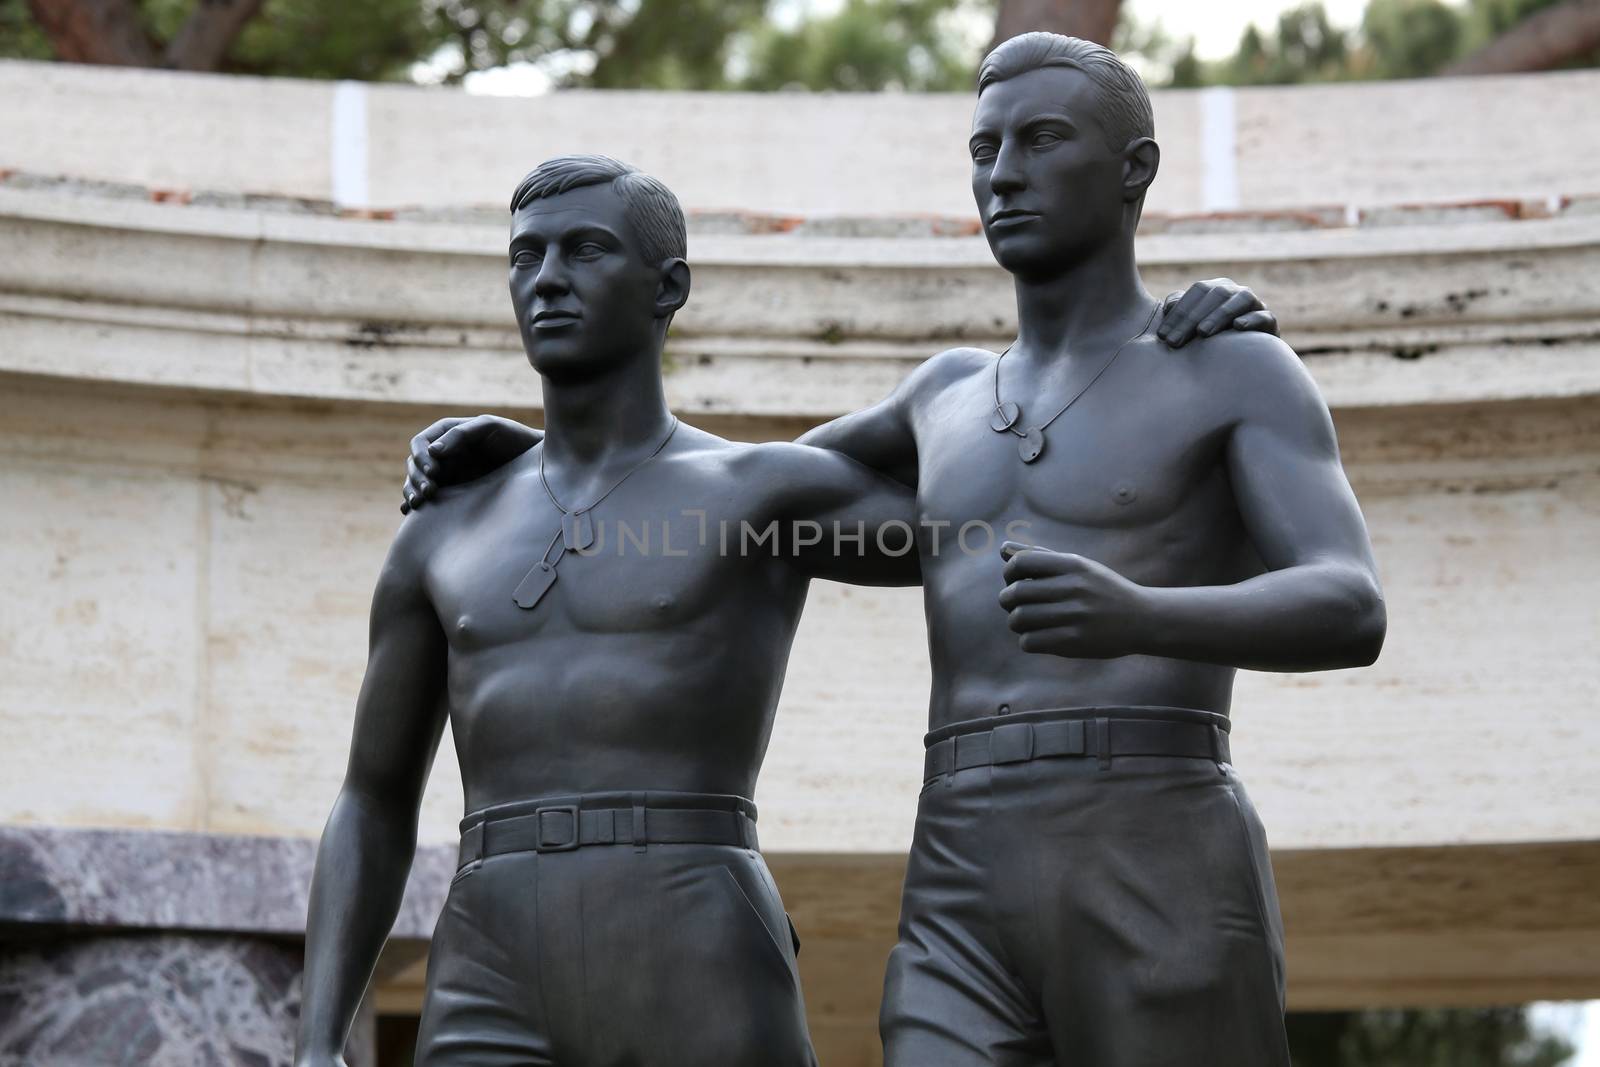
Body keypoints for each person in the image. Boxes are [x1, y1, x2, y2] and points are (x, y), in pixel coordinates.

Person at [398, 36, 1372, 1067]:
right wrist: (548, 456)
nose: (1004, 173)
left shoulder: (1225, 366)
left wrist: (1139, 612)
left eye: (1043, 141)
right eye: (984, 146)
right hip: (959, 856)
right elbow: (719, 493)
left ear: (1135, 167)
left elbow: (1349, 601)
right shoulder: (941, 395)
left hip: (1156, 831)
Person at [295, 154, 922, 1067]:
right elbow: (372, 798)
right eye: (525, 256)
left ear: (667, 287)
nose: (545, 279)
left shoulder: (755, 496)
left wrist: (1184, 340)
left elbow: (988, 510)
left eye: (585, 251)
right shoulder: (442, 530)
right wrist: (317, 1042)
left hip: (694, 937)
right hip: (489, 960)